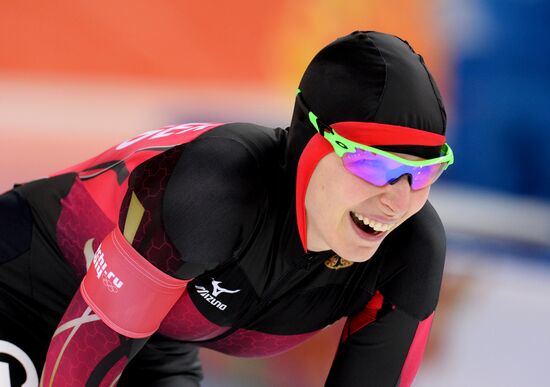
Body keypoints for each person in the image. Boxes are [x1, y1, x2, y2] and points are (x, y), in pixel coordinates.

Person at [0, 31, 453, 386]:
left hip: (152, 344)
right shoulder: (217, 189)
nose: (397, 200)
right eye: (373, 164)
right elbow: (87, 347)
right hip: (24, 280)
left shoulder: (411, 249)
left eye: (424, 173)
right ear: (309, 143)